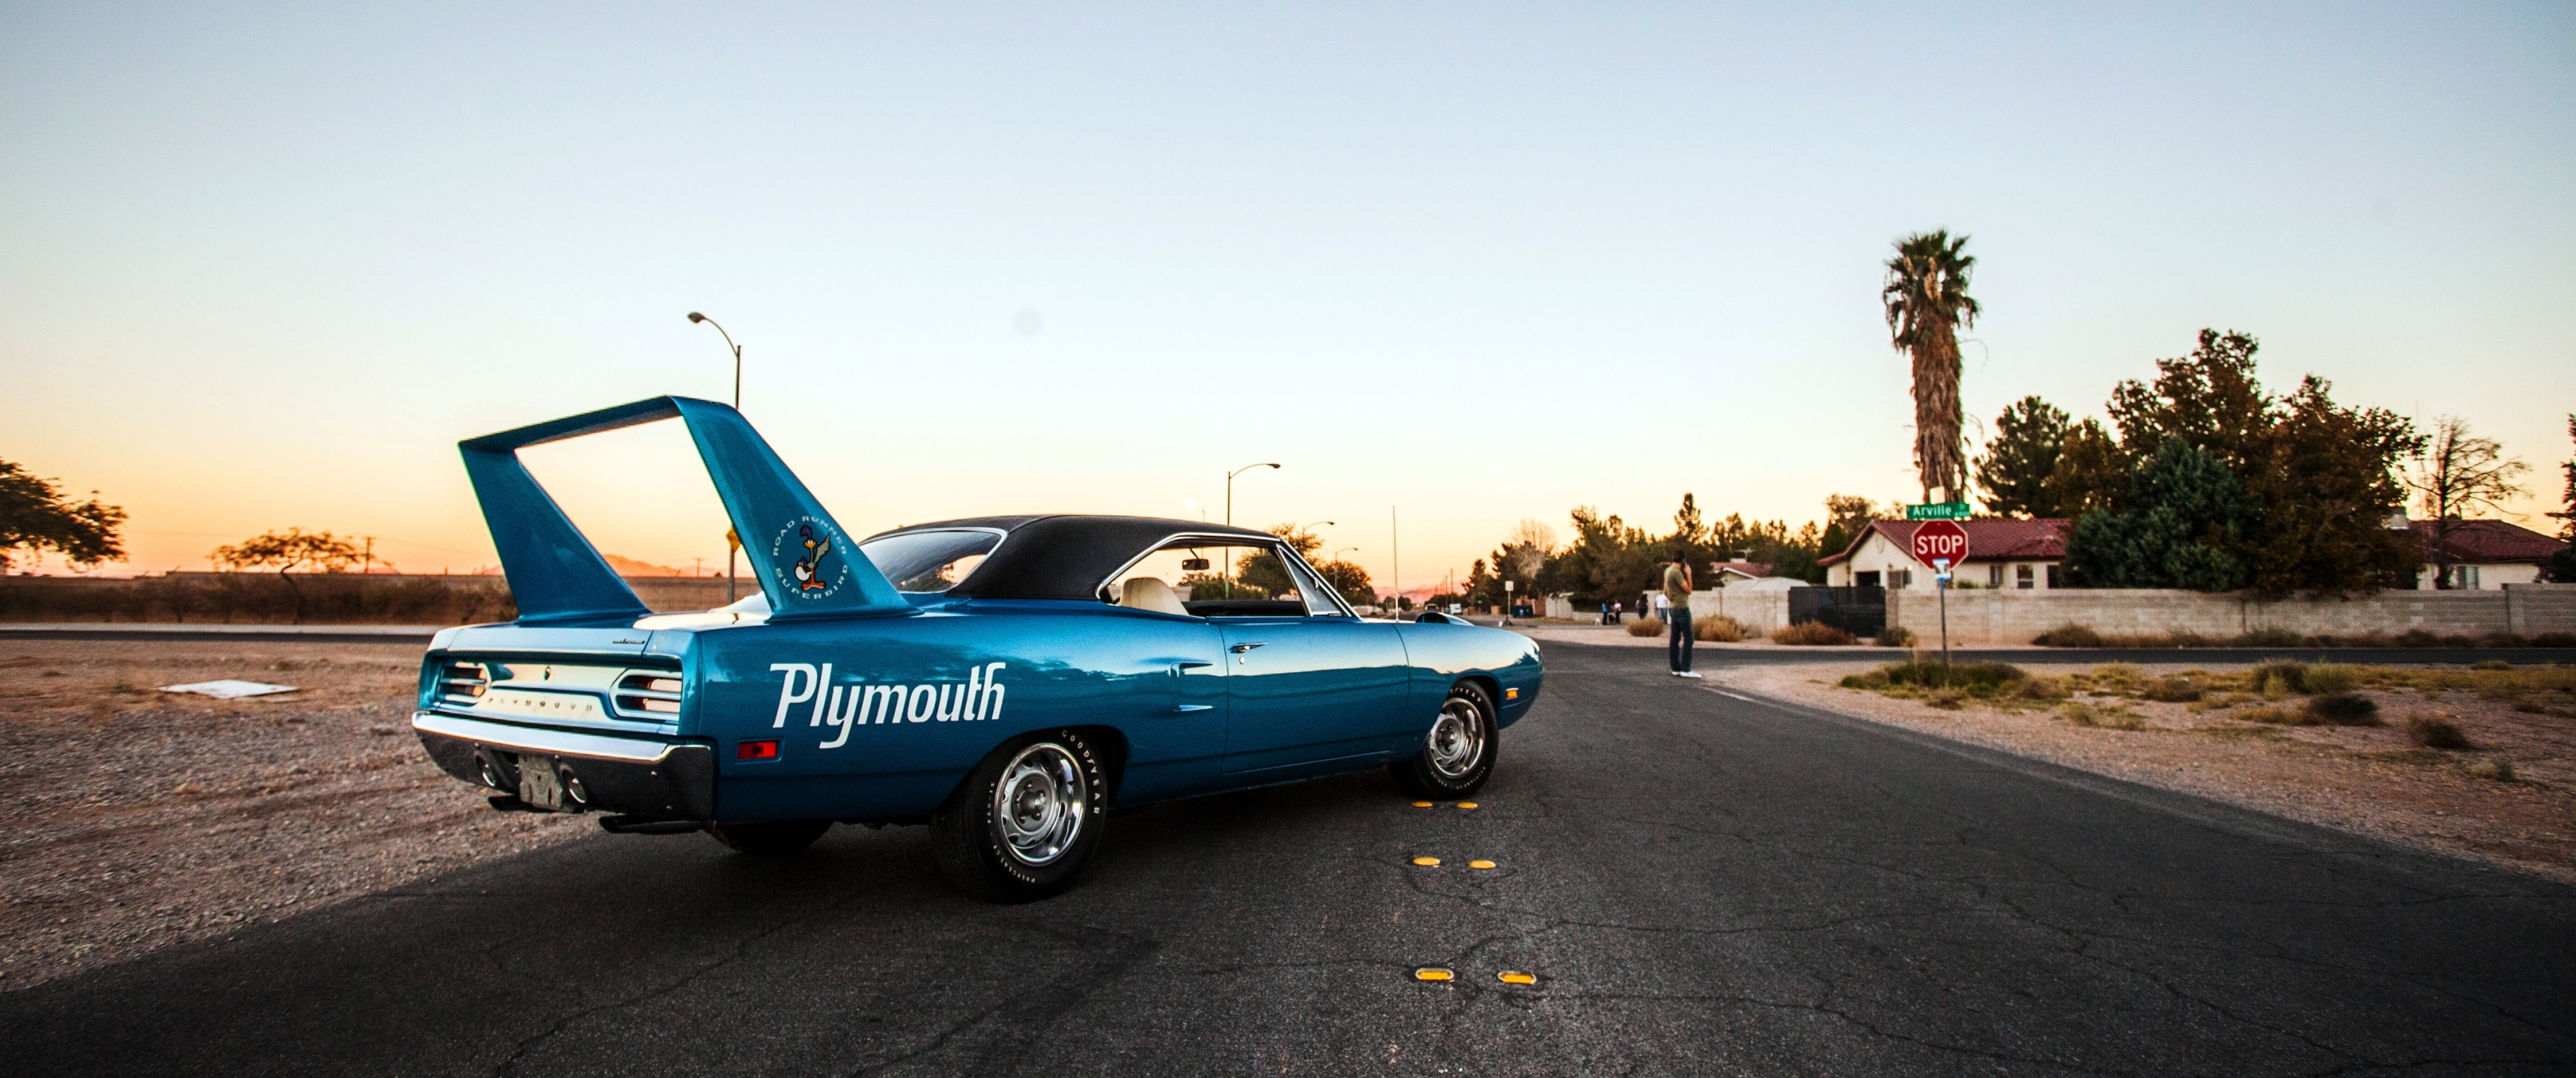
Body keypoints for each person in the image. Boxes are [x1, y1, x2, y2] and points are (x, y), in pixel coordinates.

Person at [1662, 549, 1698, 677]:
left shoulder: (1668, 571)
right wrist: (1689, 574)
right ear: (1683, 561)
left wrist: (1672, 598)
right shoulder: (1677, 573)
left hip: (1672, 607)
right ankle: (1686, 669)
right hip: (1681, 607)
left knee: (1675, 638)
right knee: (1689, 638)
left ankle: (1676, 668)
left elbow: (1665, 591)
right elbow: (1689, 591)